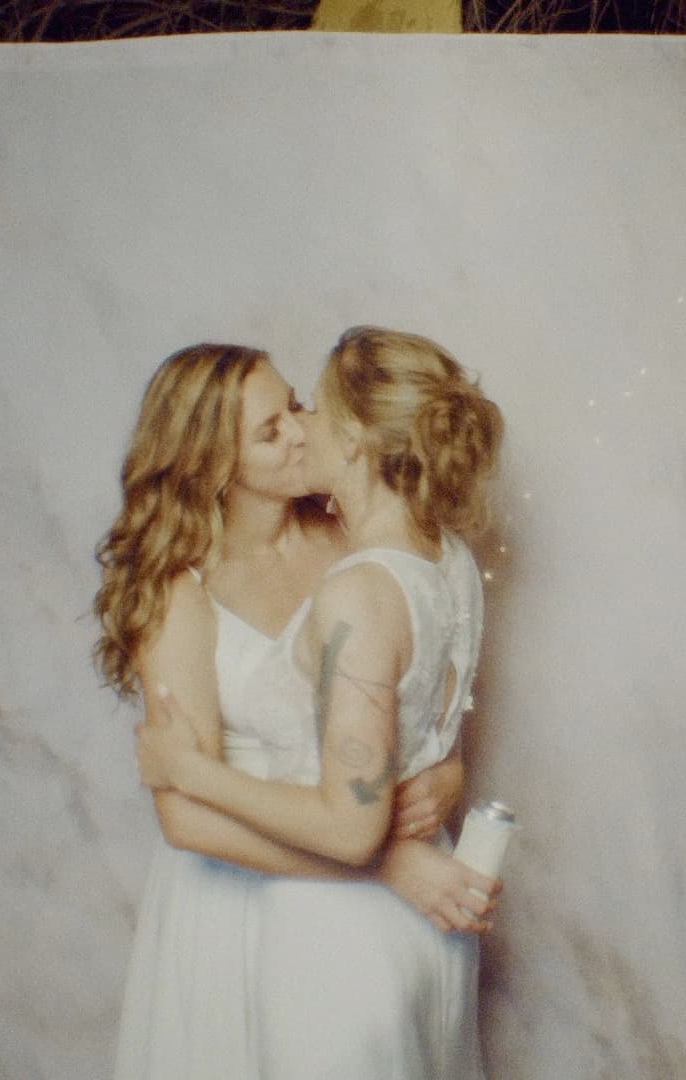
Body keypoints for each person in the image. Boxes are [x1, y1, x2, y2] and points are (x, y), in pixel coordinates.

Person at [95, 340, 498, 1080]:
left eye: (297, 406)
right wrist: (384, 865)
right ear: (212, 462)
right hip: (245, 904)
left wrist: (450, 772)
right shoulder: (181, 591)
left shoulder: (358, 533)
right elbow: (185, 816)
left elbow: (420, 705)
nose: (302, 429)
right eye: (269, 429)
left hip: (395, 907)